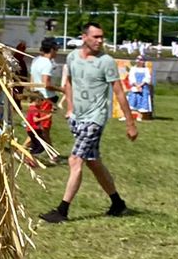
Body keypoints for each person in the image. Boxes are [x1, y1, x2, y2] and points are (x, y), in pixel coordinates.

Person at [39, 22, 138, 223]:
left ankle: (62, 210)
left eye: (102, 37)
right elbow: (69, 83)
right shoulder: (73, 57)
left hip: (95, 118)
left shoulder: (107, 61)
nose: (100, 41)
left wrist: (130, 123)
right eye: (96, 37)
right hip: (78, 118)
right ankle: (118, 204)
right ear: (84, 37)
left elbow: (118, 91)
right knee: (93, 161)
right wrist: (70, 108)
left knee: (75, 160)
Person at [25, 37, 61, 161]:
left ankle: (53, 154)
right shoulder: (47, 63)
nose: (57, 52)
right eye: (56, 49)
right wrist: (62, 89)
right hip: (46, 98)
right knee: (42, 128)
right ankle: (24, 149)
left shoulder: (36, 60)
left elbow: (31, 80)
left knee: (38, 128)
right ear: (51, 49)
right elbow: (47, 84)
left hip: (36, 96)